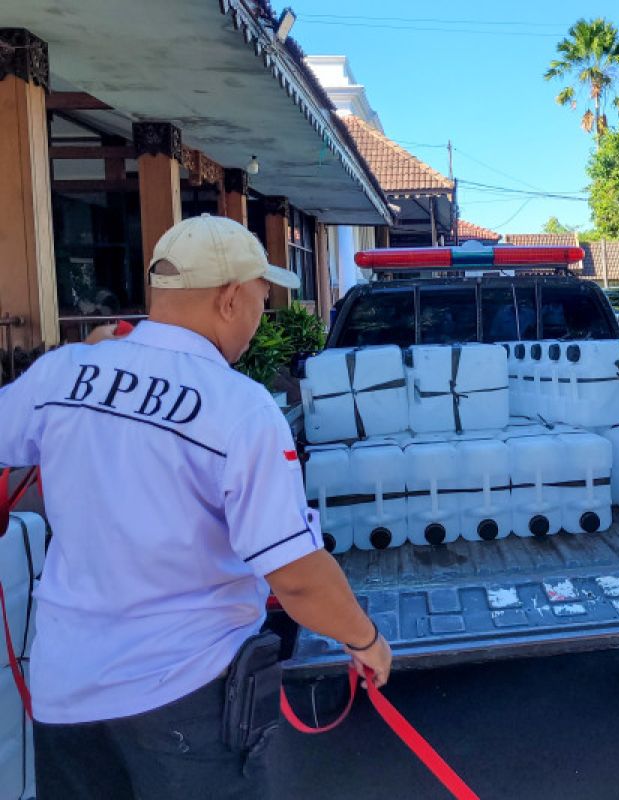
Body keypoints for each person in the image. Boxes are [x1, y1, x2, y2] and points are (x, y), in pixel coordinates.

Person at [0, 214, 392, 799]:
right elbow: (295, 576)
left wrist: (84, 360)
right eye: (262, 299)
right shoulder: (239, 408)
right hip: (187, 698)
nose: (262, 319)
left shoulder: (62, 373)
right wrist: (364, 640)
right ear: (230, 299)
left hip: (66, 694)